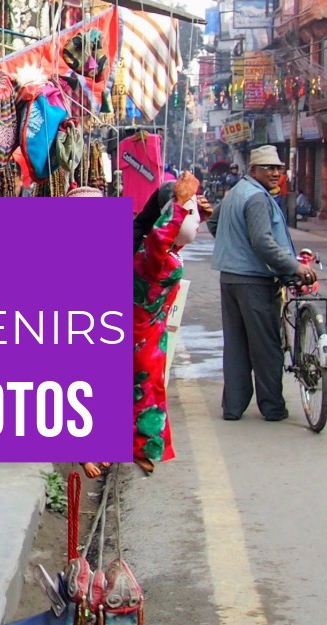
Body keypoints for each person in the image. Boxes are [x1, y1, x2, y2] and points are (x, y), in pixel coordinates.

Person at [207, 145, 316, 422]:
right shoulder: (256, 198)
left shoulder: (237, 193)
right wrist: (294, 266)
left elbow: (214, 222)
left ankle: (233, 407)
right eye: (268, 168)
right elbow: (263, 243)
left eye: (278, 168)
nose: (275, 173)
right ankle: (273, 407)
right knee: (266, 347)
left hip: (230, 278)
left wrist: (233, 245)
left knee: (236, 345)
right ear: (253, 170)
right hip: (253, 281)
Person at [132, 172, 208, 473]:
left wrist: (191, 209)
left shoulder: (155, 251)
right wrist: (179, 204)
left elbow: (170, 241)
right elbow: (163, 239)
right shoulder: (152, 252)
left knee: (146, 387)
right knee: (145, 389)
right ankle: (140, 446)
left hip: (152, 328)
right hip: (141, 330)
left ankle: (142, 444)